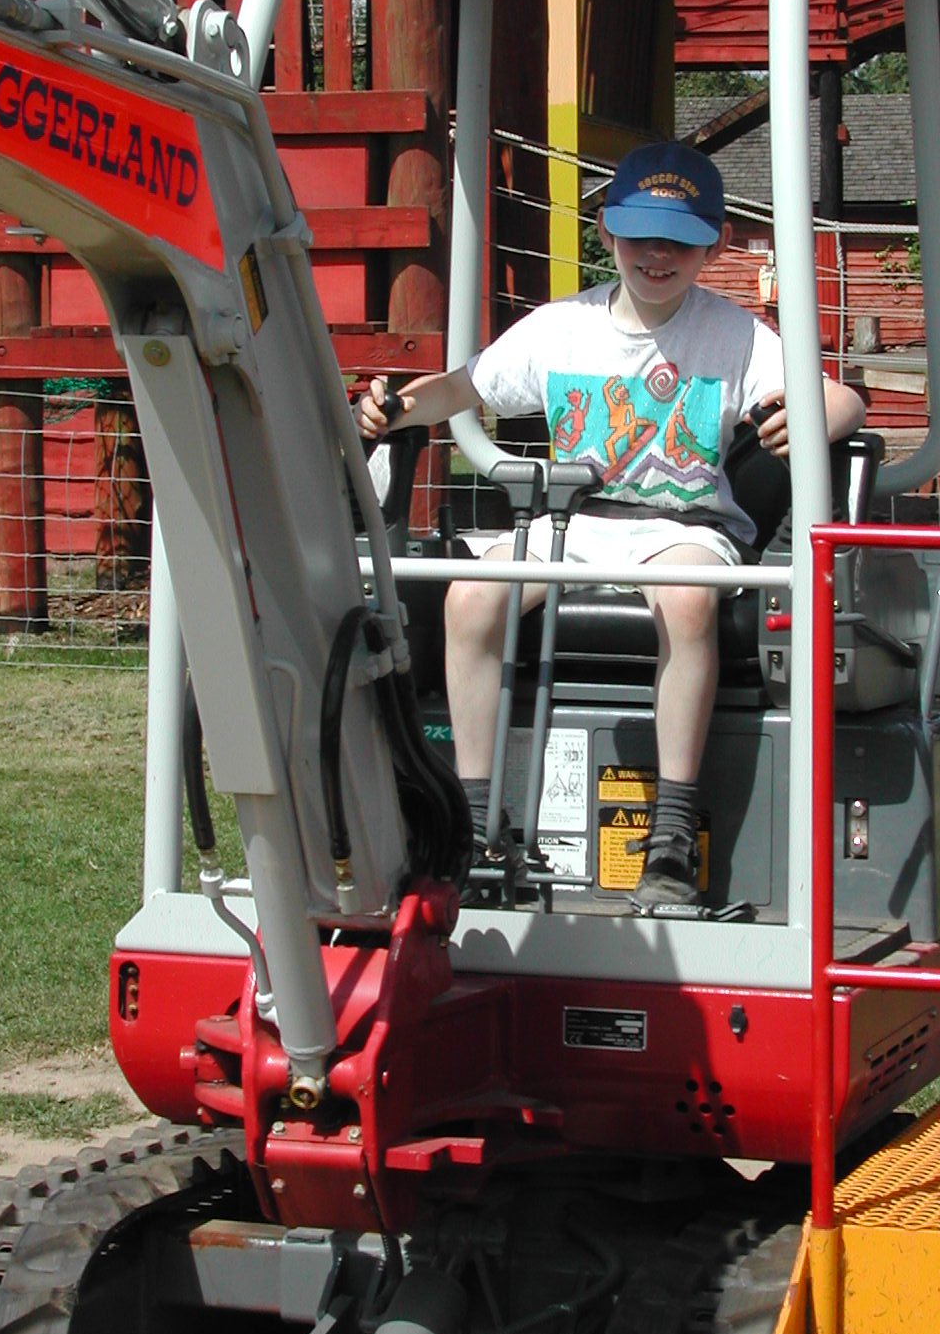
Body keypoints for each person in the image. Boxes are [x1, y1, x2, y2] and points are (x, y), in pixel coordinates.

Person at [354, 140, 865, 911]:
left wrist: (822, 414)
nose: (657, 256)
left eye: (680, 242)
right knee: (467, 595)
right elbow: (460, 389)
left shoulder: (733, 338)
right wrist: (390, 406)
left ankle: (670, 827)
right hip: (572, 522)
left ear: (714, 245)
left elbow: (840, 400)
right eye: (639, 237)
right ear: (607, 235)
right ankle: (472, 816)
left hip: (684, 520)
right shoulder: (565, 327)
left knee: (688, 596)